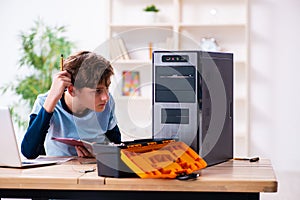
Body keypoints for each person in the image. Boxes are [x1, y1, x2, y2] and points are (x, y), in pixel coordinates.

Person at [21, 51, 121, 159]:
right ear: (72, 90)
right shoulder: (45, 102)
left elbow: (118, 147)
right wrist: (52, 99)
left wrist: (98, 155)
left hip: (95, 171)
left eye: (107, 87)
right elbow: (29, 152)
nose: (106, 97)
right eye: (97, 91)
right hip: (60, 173)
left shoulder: (107, 103)